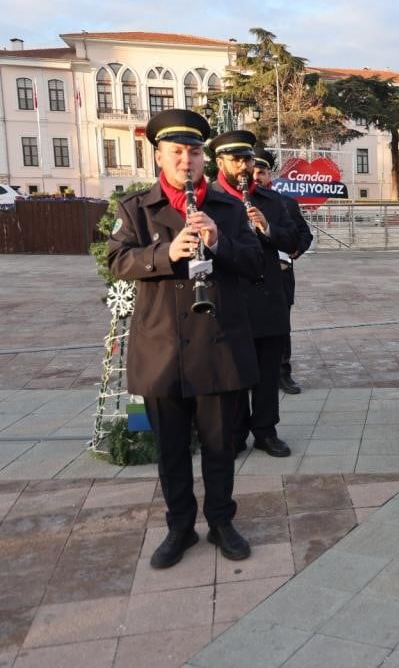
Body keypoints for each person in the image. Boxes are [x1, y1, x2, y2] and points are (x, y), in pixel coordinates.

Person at [108, 109, 262, 568]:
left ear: (204, 159)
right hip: (162, 350)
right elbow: (117, 262)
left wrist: (220, 243)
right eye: (177, 151)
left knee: (220, 447)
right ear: (159, 155)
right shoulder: (136, 208)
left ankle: (220, 521)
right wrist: (164, 253)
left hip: (218, 347)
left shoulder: (229, 208)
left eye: (194, 152)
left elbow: (256, 266)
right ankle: (179, 527)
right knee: (172, 450)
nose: (187, 160)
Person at [208, 131, 300, 458]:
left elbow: (294, 241)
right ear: (220, 163)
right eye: (237, 160)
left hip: (267, 299)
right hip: (229, 301)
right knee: (232, 371)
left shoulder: (272, 201)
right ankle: (233, 433)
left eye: (248, 159)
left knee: (266, 372)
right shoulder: (208, 200)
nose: (244, 166)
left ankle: (265, 430)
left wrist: (268, 229)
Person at [252, 147, 314, 396]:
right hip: (249, 279)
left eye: (262, 172)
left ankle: (283, 373)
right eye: (253, 171)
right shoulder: (233, 203)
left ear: (270, 175)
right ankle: (253, 374)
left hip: (280, 276)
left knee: (280, 327)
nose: (256, 176)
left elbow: (304, 234)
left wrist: (295, 251)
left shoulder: (285, 203)